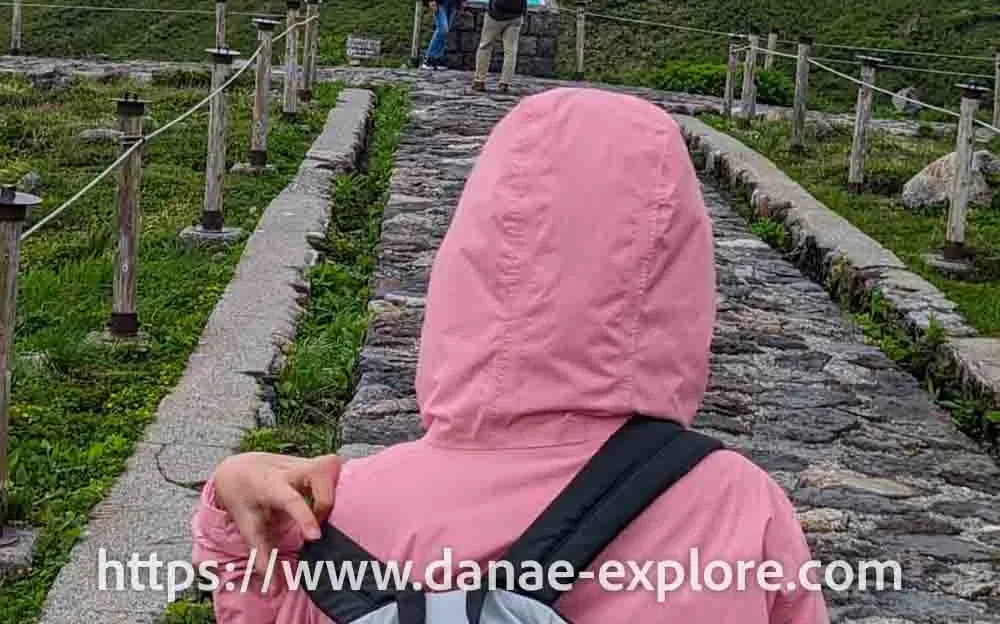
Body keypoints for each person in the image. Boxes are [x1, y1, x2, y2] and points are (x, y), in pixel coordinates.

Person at [191, 87, 829, 624]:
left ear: (468, 259)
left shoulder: (336, 514)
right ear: (681, 274)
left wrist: (230, 497)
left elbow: (256, 607)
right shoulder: (738, 505)